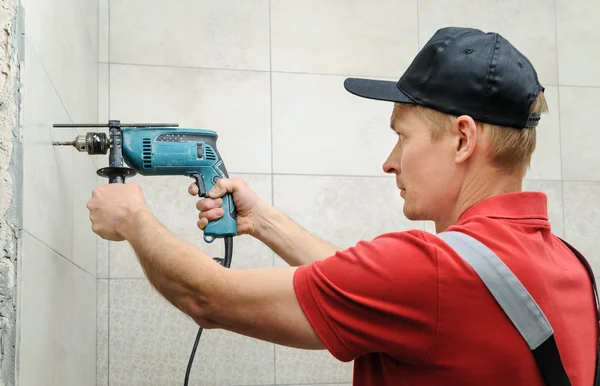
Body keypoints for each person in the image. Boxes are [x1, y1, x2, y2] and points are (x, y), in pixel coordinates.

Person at [86, 27, 598, 385]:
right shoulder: (572, 267)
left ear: (463, 140)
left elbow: (209, 299)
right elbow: (371, 288)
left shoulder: (432, 271)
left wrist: (133, 218)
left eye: (402, 137)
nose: (389, 162)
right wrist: (264, 222)